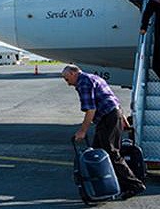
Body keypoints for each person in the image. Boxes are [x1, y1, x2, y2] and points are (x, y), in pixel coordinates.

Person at [62, 64, 146, 200]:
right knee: (97, 150)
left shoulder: (83, 82)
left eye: (67, 79)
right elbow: (113, 99)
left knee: (111, 153)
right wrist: (123, 119)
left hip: (108, 118)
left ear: (73, 73)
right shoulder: (94, 77)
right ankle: (105, 186)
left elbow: (91, 109)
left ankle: (134, 184)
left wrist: (83, 131)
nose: (68, 84)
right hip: (112, 116)